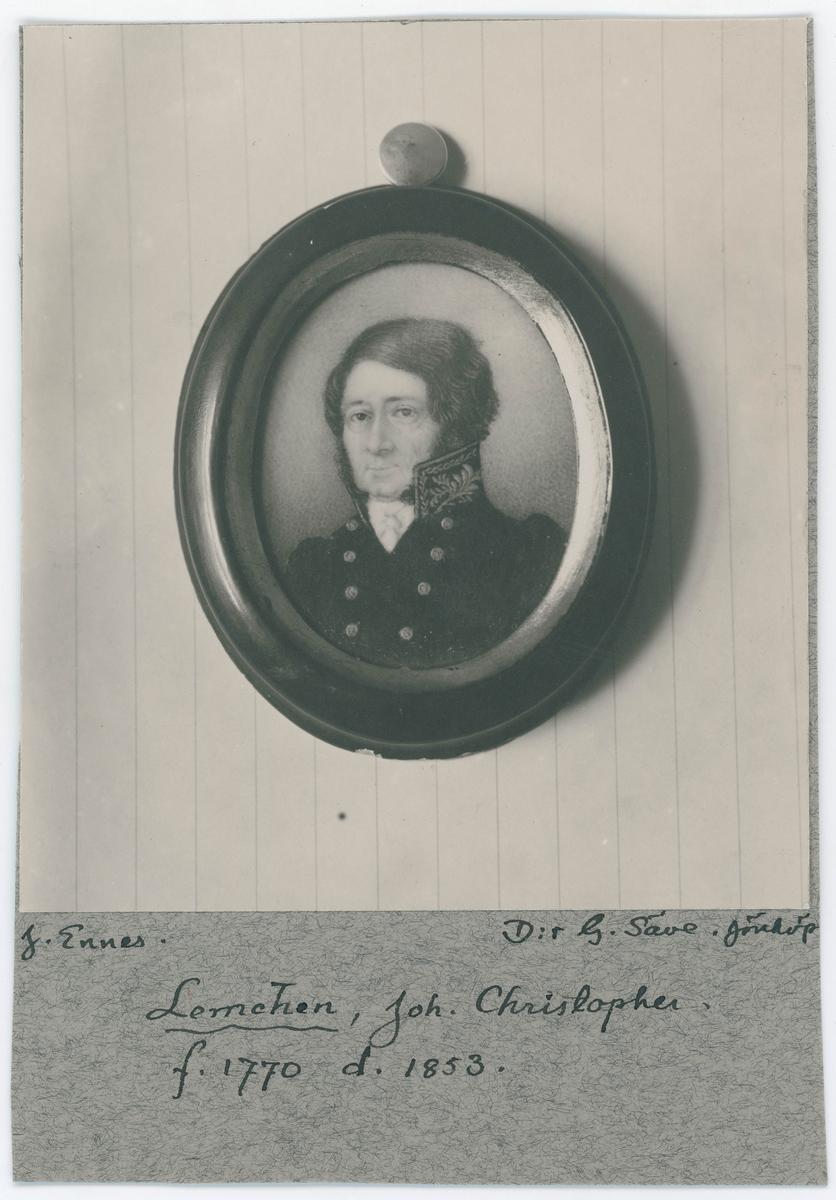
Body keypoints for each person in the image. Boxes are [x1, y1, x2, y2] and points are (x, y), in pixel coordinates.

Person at [284, 318, 567, 669]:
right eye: (359, 416)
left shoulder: (527, 557)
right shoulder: (316, 568)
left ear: (455, 424)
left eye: (403, 412)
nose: (376, 443)